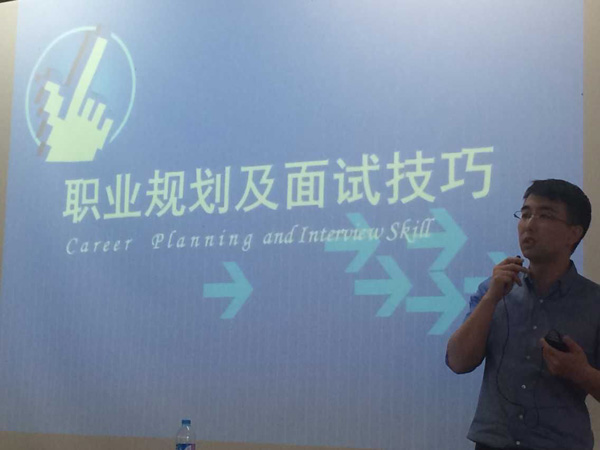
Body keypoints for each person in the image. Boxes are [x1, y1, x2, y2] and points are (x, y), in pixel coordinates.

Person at [446, 179, 600, 450]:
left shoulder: (594, 302)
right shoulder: (493, 290)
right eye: (525, 214)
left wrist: (582, 373)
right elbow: (458, 362)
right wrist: (491, 299)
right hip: (492, 443)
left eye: (545, 215)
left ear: (573, 233)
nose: (529, 224)